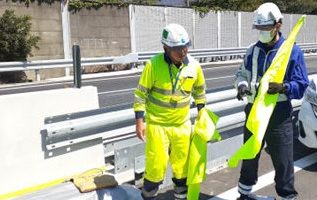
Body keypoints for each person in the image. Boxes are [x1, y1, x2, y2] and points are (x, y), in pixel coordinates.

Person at [234, 2, 309, 200]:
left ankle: (287, 196)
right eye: (259, 28)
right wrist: (241, 85)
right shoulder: (252, 50)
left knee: (283, 160)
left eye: (266, 28)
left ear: (278, 25)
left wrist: (285, 87)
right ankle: (244, 193)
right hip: (254, 111)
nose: (262, 32)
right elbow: (241, 73)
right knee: (249, 155)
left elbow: (301, 84)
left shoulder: (291, 51)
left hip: (279, 114)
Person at [133, 23, 206, 200]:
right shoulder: (153, 65)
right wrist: (139, 122)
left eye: (186, 47)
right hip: (158, 125)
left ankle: (180, 197)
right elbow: (140, 94)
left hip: (182, 125)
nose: (183, 53)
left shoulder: (194, 66)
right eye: (177, 49)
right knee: (155, 168)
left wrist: (202, 113)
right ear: (165, 48)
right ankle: (148, 196)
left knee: (182, 169)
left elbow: (199, 91)